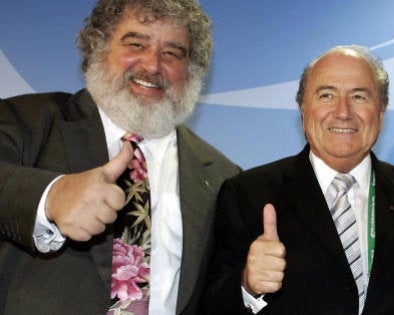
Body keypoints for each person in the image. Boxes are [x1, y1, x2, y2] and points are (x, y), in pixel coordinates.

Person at [0, 0, 240, 314]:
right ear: (98, 47)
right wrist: (49, 197)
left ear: (192, 69)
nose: (153, 65)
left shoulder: (224, 176)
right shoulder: (28, 120)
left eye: (172, 52)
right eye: (136, 43)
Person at [204, 45, 394, 314]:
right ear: (303, 109)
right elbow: (210, 307)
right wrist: (247, 286)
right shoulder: (246, 195)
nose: (343, 111)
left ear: (382, 110)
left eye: (359, 96)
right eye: (326, 95)